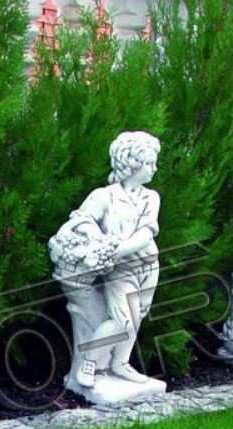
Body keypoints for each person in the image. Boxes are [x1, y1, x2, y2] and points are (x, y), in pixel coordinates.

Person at [51, 131, 161, 388]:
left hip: (148, 266)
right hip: (120, 270)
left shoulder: (151, 197)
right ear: (132, 165)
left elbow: (147, 233)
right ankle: (89, 361)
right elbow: (81, 220)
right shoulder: (105, 196)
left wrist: (117, 248)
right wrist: (98, 240)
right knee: (124, 320)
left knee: (138, 317)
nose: (154, 168)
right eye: (149, 163)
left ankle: (120, 363)